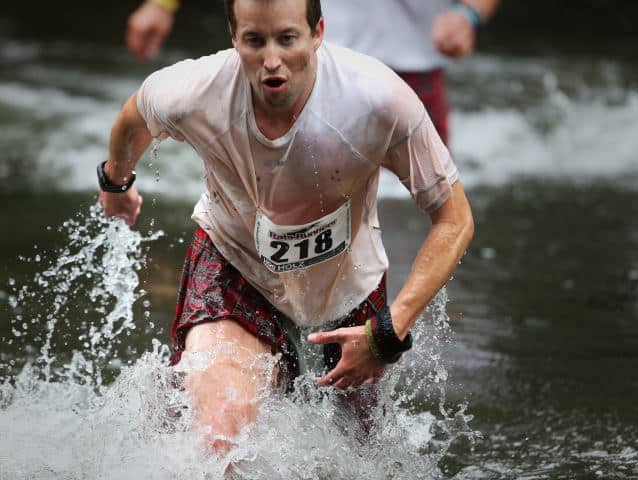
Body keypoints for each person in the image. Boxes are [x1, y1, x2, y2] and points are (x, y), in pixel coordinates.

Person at [103, 0, 474, 452]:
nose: (272, 61)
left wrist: (388, 331)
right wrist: (116, 182)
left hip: (347, 287)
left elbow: (455, 220)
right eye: (255, 41)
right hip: (234, 263)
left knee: (357, 455)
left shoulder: (377, 99)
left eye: (287, 39)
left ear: (317, 33)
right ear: (234, 39)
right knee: (220, 437)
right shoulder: (194, 89)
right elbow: (133, 118)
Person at [125, 0, 500, 144]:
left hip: (414, 68)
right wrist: (162, 4)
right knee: (284, 191)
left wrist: (468, 13)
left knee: (423, 197)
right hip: (312, 60)